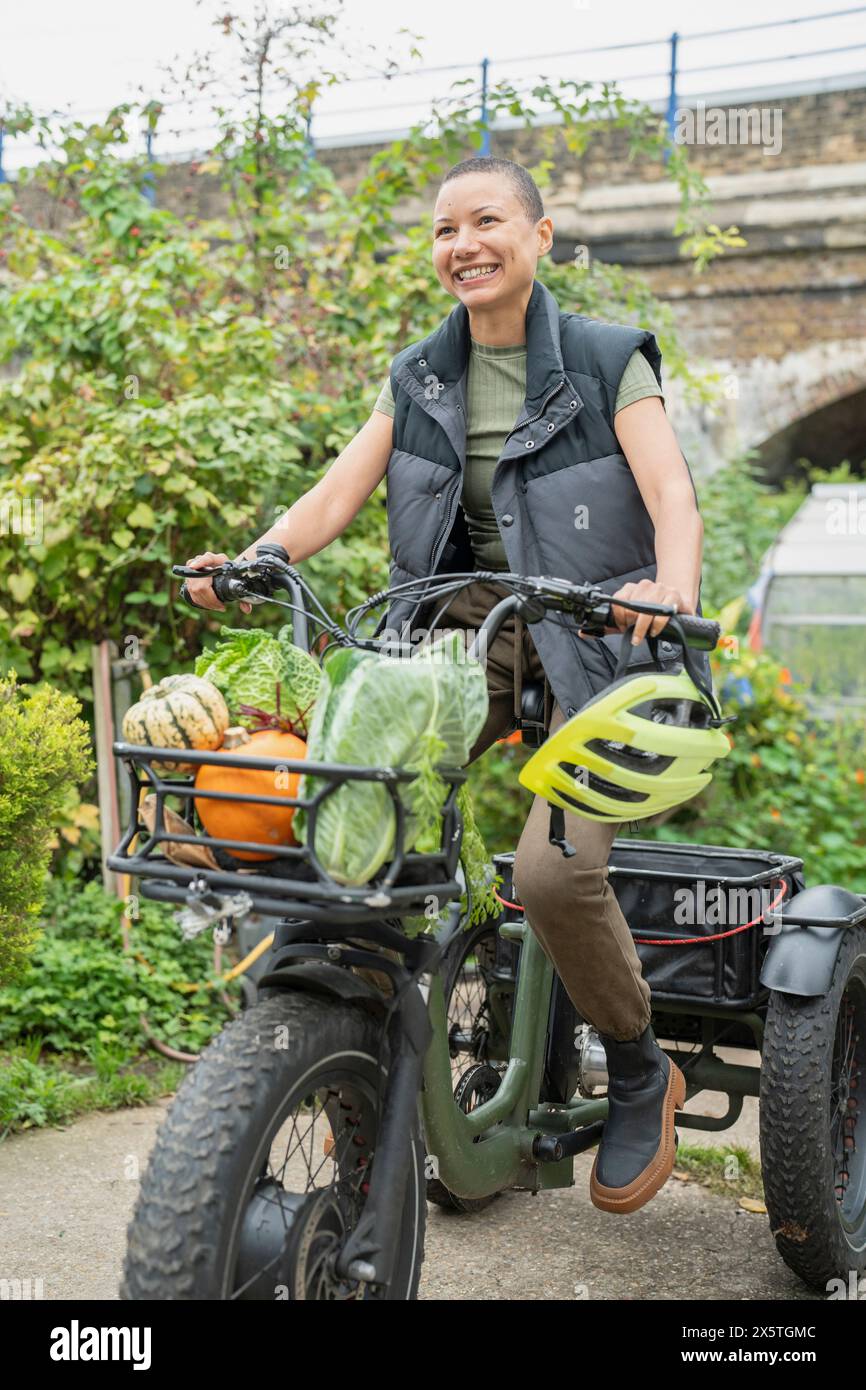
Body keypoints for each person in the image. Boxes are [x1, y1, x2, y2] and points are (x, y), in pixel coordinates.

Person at [185, 155, 712, 1215]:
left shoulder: (608, 360)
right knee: (349, 818)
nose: (461, 244)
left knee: (555, 875)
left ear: (540, 235)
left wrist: (667, 586)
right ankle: (346, 1043)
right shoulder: (419, 374)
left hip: (591, 634)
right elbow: (337, 490)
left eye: (484, 222)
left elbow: (671, 495)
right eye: (441, 230)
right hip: (450, 636)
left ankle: (639, 1062)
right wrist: (255, 555)